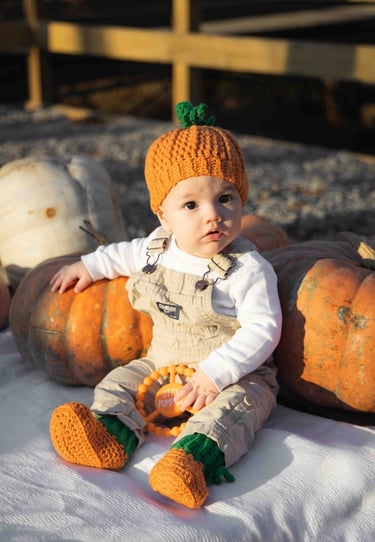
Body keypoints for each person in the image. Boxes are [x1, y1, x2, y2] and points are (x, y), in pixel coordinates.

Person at [49, 101, 282, 509]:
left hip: (234, 373)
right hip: (163, 363)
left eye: (226, 198)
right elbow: (120, 254)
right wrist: (89, 265)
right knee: (120, 382)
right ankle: (108, 435)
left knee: (237, 412)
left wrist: (214, 376)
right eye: (191, 205)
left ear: (242, 199)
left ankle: (192, 462)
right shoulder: (157, 247)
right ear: (163, 213)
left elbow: (264, 329)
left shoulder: (247, 268)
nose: (212, 215)